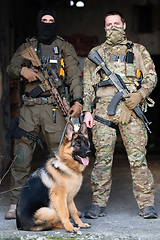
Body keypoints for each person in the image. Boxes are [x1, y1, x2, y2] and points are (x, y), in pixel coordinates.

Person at [5, 8, 83, 219]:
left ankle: (62, 204)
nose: (47, 24)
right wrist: (23, 71)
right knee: (21, 157)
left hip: (55, 110)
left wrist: (78, 101)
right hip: (29, 110)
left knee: (61, 160)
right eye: (43, 20)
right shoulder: (27, 47)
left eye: (51, 21)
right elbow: (10, 68)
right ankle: (15, 204)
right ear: (38, 22)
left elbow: (75, 76)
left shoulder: (64, 47)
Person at [83, 11, 157, 219]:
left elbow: (152, 76)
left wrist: (139, 95)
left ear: (124, 25)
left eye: (117, 23)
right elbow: (88, 83)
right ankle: (98, 204)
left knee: (137, 159)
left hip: (130, 108)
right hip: (102, 112)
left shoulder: (138, 50)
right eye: (109, 24)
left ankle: (146, 205)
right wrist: (87, 110)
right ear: (104, 27)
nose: (113, 27)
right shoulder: (95, 53)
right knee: (102, 161)